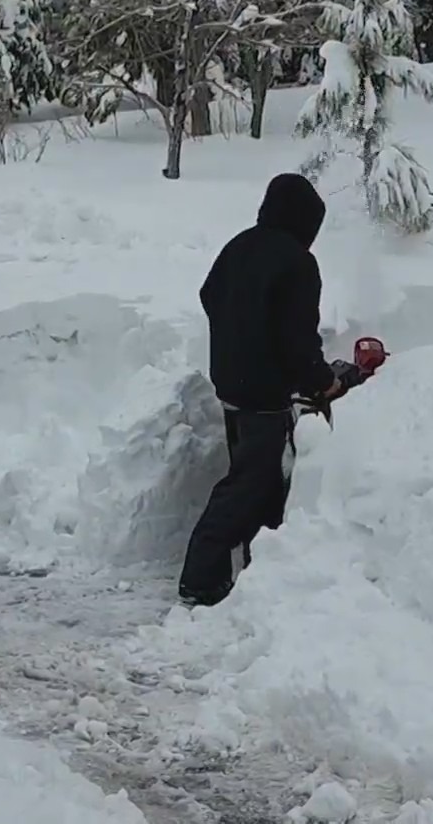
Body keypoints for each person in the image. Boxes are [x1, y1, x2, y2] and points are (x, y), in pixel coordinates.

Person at [177, 172, 343, 607]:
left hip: (232, 384)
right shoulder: (297, 263)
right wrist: (323, 381)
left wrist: (240, 333)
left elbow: (209, 294)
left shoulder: (240, 245)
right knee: (250, 486)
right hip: (264, 395)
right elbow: (298, 336)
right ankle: (200, 579)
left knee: (262, 485)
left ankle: (254, 575)